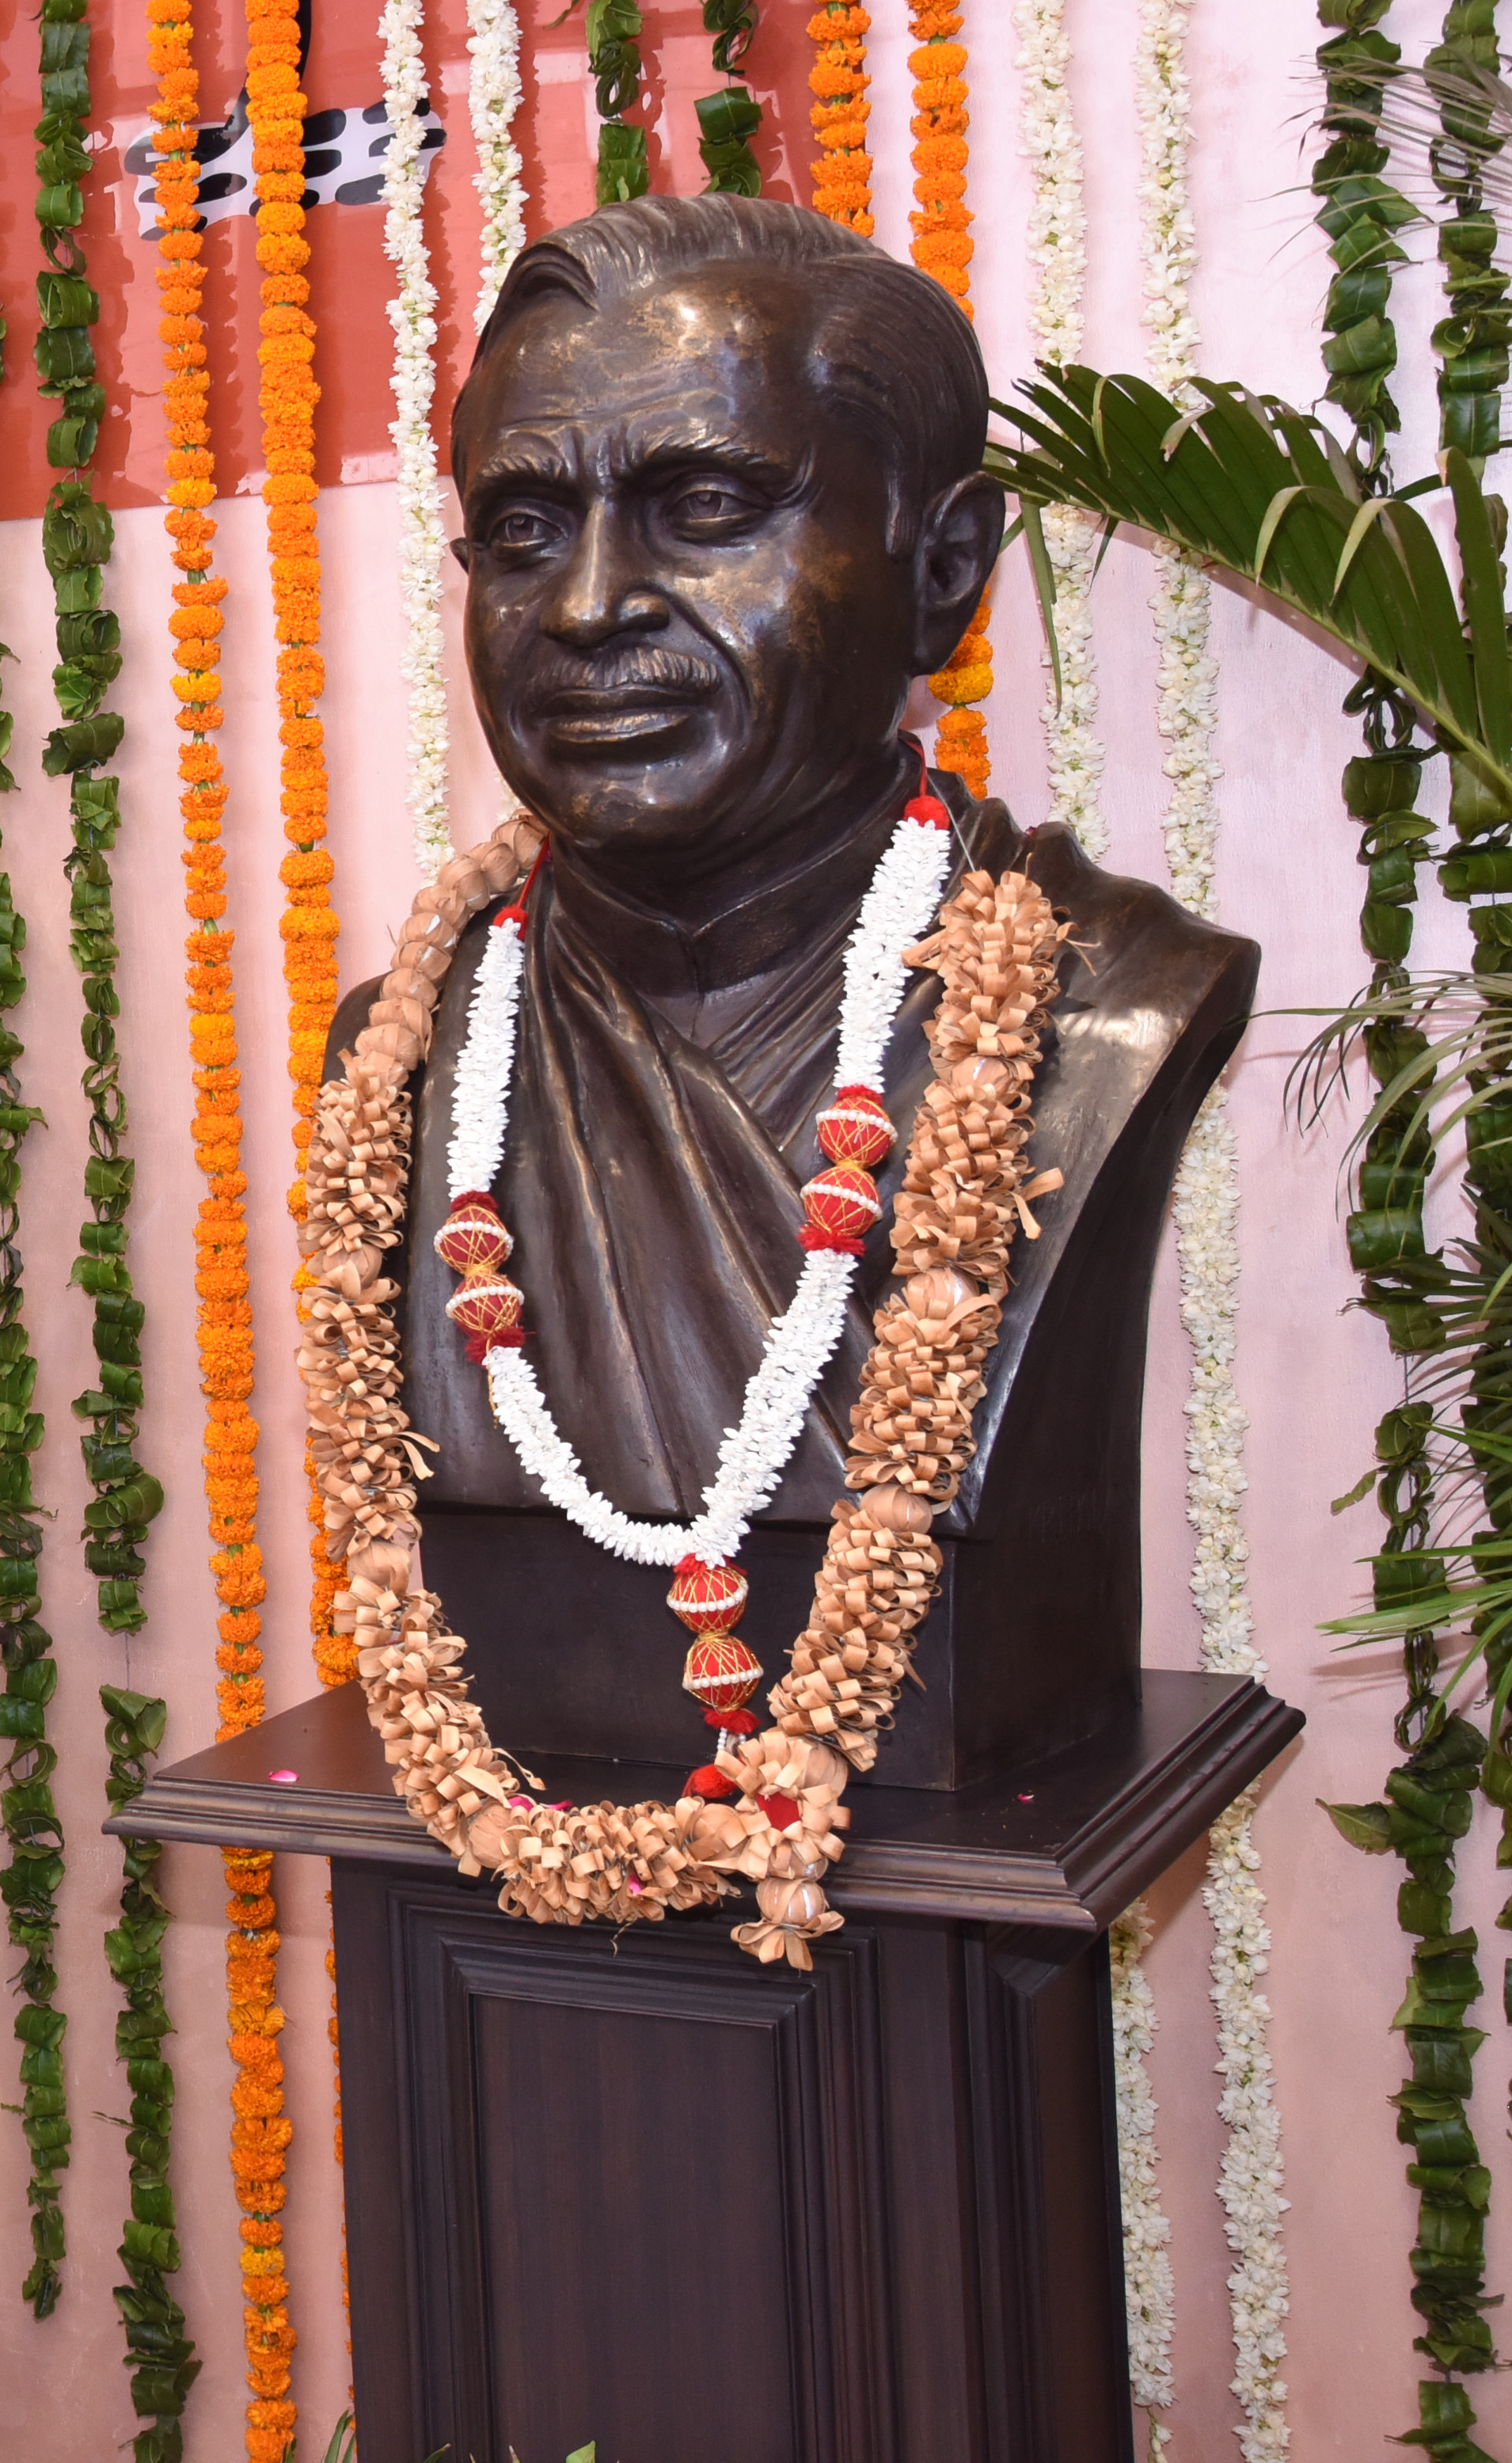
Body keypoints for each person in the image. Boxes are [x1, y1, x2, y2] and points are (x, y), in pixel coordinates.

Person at [353, 192, 1250, 1779]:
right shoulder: (413, 1055)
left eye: (706, 507)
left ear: (940, 568)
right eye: (520, 530)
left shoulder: (1102, 1010)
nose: (585, 606)